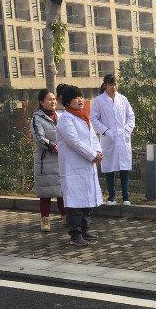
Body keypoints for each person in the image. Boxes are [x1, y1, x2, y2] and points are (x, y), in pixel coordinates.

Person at [55, 85, 104, 246]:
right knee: (75, 202)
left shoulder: (84, 117)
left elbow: (93, 138)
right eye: (75, 98)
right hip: (73, 167)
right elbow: (74, 142)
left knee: (87, 200)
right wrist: (92, 155)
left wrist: (98, 151)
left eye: (81, 97)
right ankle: (75, 235)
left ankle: (84, 229)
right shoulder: (65, 119)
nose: (80, 100)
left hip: (87, 165)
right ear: (67, 102)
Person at [91, 73, 135, 206]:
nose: (113, 87)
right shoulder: (99, 101)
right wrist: (105, 131)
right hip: (108, 139)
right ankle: (111, 197)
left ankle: (126, 197)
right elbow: (93, 119)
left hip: (123, 139)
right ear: (105, 85)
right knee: (109, 169)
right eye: (110, 85)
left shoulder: (123, 99)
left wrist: (126, 130)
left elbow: (131, 116)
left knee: (124, 169)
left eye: (115, 84)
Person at [30, 89, 66, 231]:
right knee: (46, 191)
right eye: (49, 99)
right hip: (45, 160)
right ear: (41, 102)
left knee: (62, 190)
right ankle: (45, 220)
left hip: (61, 158)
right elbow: (39, 137)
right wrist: (52, 146)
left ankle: (65, 216)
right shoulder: (37, 118)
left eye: (54, 99)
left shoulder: (61, 116)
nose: (53, 102)